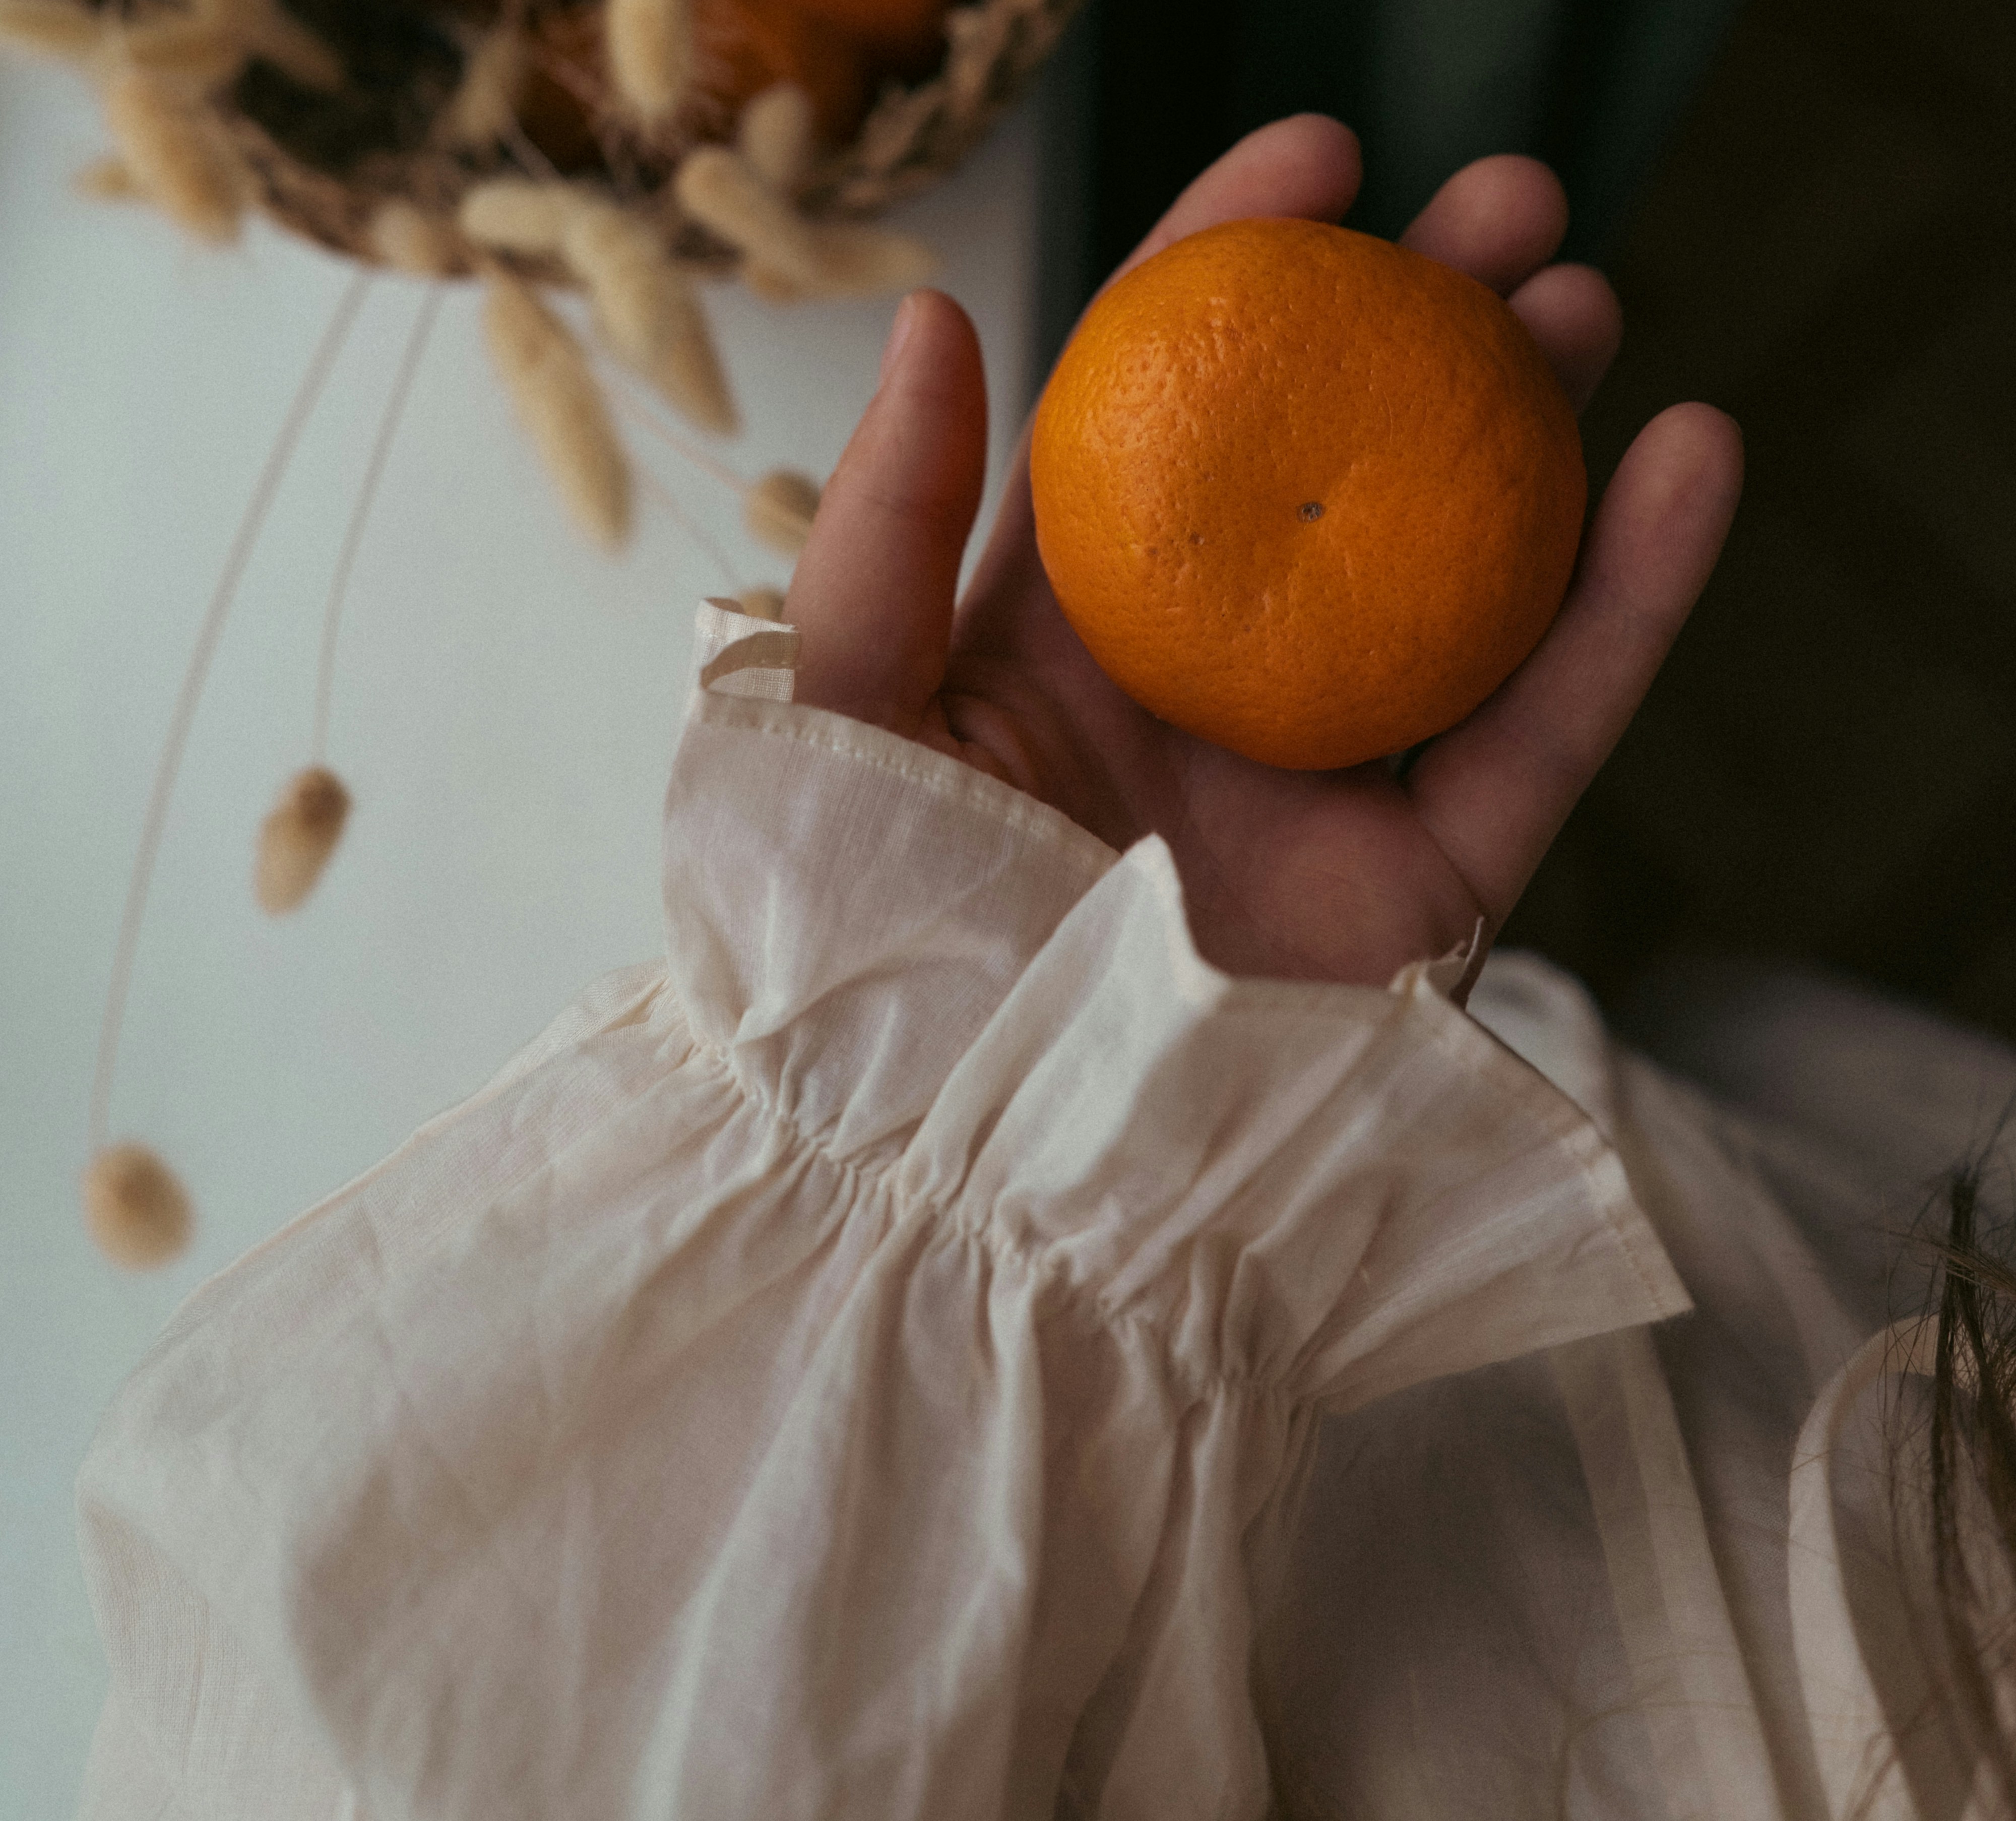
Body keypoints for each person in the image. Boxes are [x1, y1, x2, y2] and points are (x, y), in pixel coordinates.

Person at [72, 118, 2016, 1818]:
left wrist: (945, 1108)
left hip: (1486, 1252)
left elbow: (410, 1722)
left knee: (1699, 1077)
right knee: (1727, 1085)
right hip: (1770, 1283)